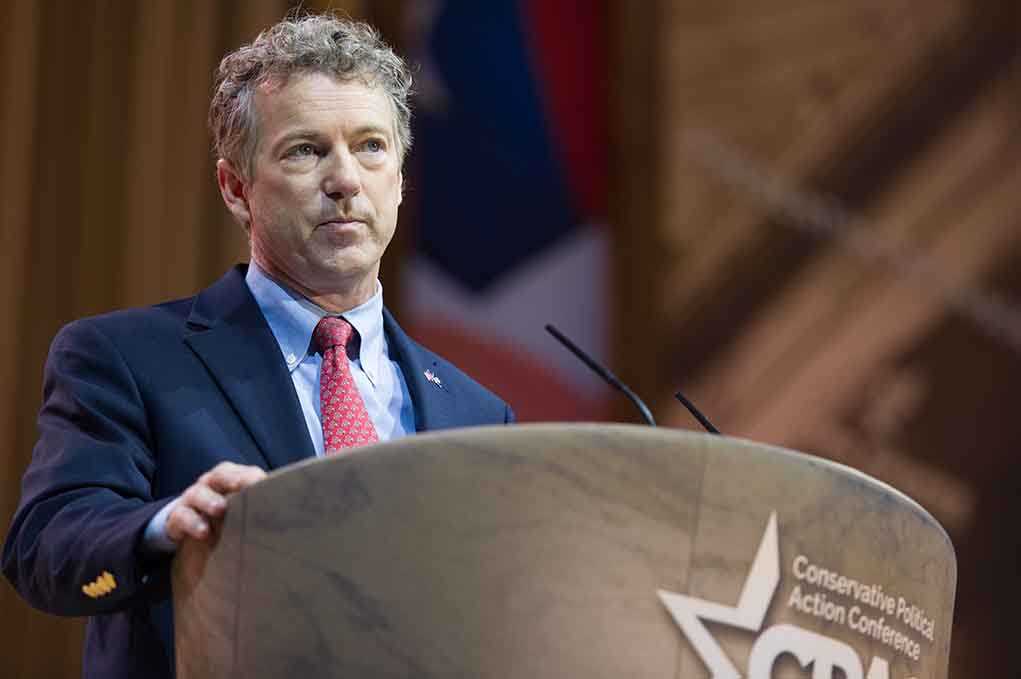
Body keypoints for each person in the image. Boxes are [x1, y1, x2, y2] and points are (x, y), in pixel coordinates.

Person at [2, 14, 513, 679]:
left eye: (370, 146)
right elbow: (45, 547)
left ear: (400, 179)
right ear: (235, 188)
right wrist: (165, 528)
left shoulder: (480, 416)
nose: (345, 179)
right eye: (305, 150)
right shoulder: (123, 358)